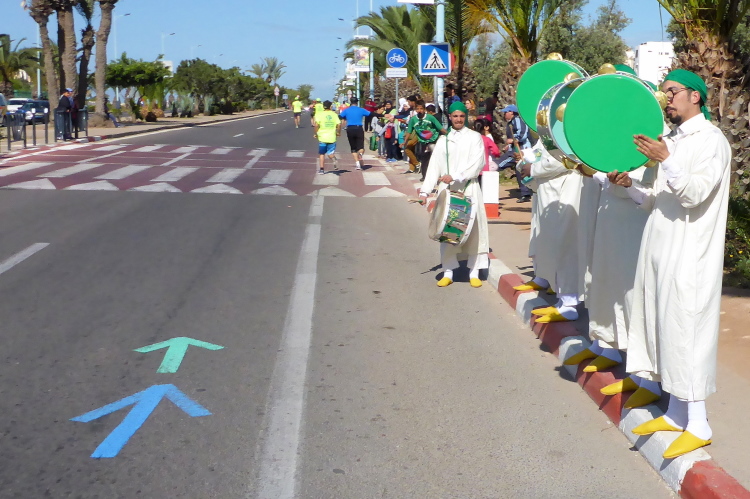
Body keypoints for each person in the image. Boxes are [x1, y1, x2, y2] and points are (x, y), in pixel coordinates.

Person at [607, 69, 732, 459]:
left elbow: (694, 194)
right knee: (665, 327)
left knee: (687, 330)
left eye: (672, 92)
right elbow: (656, 200)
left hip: (690, 253)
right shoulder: (672, 141)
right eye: (664, 94)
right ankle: (677, 414)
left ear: (695, 96)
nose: (666, 101)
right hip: (659, 246)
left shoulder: (711, 140)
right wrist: (631, 187)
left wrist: (667, 159)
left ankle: (699, 423)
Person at [418, 101, 489, 288]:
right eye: (455, 116)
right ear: (449, 117)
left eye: (461, 116)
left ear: (466, 117)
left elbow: (478, 163)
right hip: (448, 192)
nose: (458, 119)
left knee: (474, 231)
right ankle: (448, 272)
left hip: (469, 189)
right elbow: (434, 167)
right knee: (447, 231)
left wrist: (456, 176)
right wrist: (425, 192)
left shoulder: (475, 137)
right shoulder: (443, 140)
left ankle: (474, 272)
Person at [496, 104, 533, 202]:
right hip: (516, 148)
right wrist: (509, 145)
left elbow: (522, 133)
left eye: (506, 112)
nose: (504, 114)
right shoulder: (511, 122)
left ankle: (526, 192)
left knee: (501, 164)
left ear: (511, 112)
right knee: (520, 170)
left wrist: (513, 140)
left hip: (521, 149)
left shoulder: (518, 120)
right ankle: (525, 192)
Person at [403, 99, 447, 179]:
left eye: (421, 109)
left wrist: (448, 135)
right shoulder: (413, 119)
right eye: (417, 109)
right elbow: (409, 131)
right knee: (424, 159)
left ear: (424, 109)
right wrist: (405, 141)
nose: (419, 110)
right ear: (415, 110)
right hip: (423, 141)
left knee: (435, 158)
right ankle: (425, 176)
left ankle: (439, 175)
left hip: (433, 140)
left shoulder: (430, 117)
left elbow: (440, 128)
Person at [339, 97, 375, 170]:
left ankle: (357, 164)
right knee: (361, 147)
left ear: (350, 102)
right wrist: (382, 115)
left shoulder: (347, 110)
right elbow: (371, 114)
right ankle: (360, 154)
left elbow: (340, 116)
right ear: (357, 102)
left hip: (350, 129)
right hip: (359, 128)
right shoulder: (361, 110)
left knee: (353, 148)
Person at [313, 100, 341, 175]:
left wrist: (316, 133)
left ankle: (322, 169)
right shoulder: (334, 114)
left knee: (322, 154)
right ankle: (333, 159)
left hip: (322, 137)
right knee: (330, 153)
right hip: (332, 137)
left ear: (323, 106)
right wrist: (338, 133)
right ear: (330, 106)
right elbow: (339, 124)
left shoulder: (319, 114)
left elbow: (316, 125)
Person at [473, 118, 500, 182]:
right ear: (484, 128)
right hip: (484, 167)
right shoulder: (487, 139)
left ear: (473, 128)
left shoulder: (470, 139)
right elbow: (496, 151)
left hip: (472, 167)